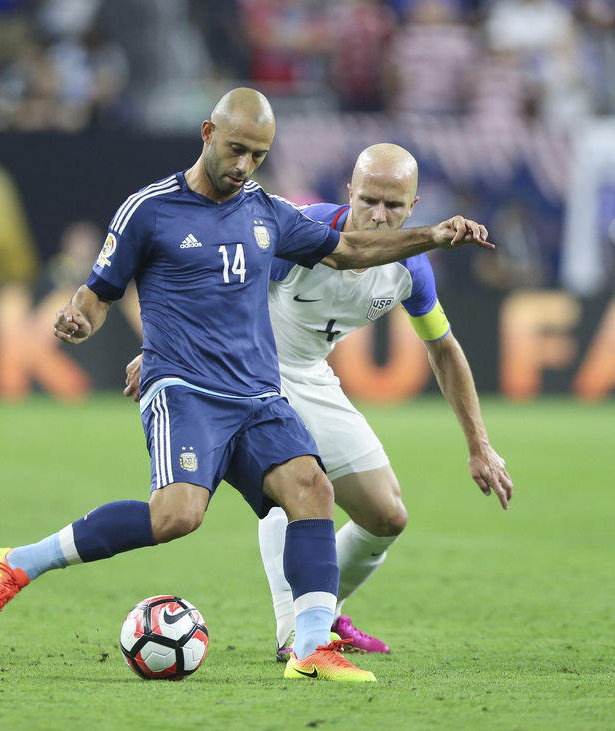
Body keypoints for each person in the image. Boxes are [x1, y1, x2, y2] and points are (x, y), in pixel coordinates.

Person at [0, 89, 492, 683]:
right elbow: (98, 291)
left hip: (259, 392)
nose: (243, 165)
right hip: (187, 388)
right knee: (176, 518)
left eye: (258, 155)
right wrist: (80, 318)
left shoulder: (267, 212)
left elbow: (347, 251)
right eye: (236, 149)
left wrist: (433, 236)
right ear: (207, 134)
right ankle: (14, 565)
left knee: (311, 490)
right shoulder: (149, 209)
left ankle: (311, 648)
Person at [124, 143, 513, 662]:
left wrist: (479, 445)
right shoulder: (301, 234)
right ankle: (297, 633)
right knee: (296, 483)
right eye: (369, 199)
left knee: (387, 516)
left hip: (311, 374)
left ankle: (323, 612)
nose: (379, 215)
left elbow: (443, 348)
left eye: (393, 206)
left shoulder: (410, 269)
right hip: (245, 370)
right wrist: (164, 350)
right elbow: (216, 282)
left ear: (413, 206)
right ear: (349, 191)